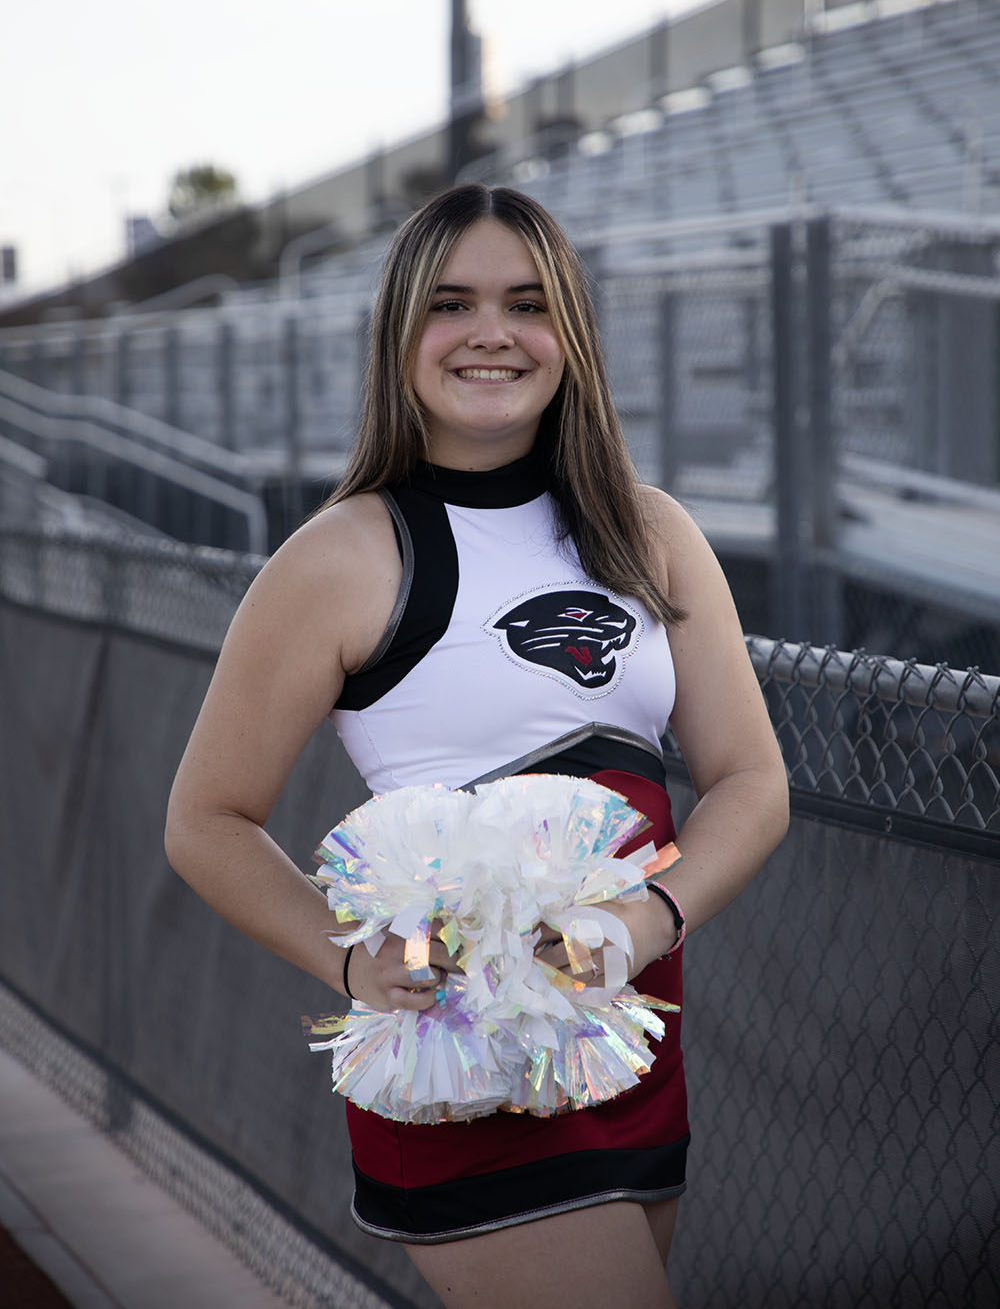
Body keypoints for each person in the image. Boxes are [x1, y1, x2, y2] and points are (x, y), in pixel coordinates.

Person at [165, 183, 789, 1309]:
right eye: (451, 304)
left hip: (629, 1039)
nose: (492, 333)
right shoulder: (338, 557)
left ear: (571, 335)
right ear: (401, 334)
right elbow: (206, 821)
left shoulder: (649, 534)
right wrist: (354, 965)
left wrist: (642, 923)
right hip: (464, 1065)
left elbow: (750, 783)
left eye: (527, 302)